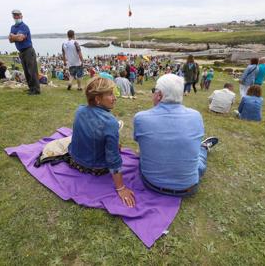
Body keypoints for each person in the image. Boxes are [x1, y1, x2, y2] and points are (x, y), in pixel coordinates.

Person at [133, 74, 218, 197]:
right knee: (199, 158)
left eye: (154, 91)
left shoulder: (141, 118)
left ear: (159, 95)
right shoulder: (195, 116)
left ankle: (203, 147)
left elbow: (139, 142)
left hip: (152, 183)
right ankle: (204, 147)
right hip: (188, 187)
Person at [69, 77, 135, 207]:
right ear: (98, 99)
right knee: (114, 146)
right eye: (110, 94)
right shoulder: (110, 122)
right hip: (95, 168)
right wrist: (120, 187)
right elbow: (113, 158)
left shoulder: (80, 110)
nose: (115, 97)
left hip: (74, 160)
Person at [9, 9, 40, 95]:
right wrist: (16, 36)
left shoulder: (24, 27)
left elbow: (20, 38)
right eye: (14, 15)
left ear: (21, 16)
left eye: (17, 15)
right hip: (21, 51)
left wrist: (13, 36)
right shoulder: (13, 27)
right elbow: (10, 40)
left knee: (32, 71)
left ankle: (36, 89)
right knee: (26, 71)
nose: (16, 17)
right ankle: (31, 88)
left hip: (28, 50)